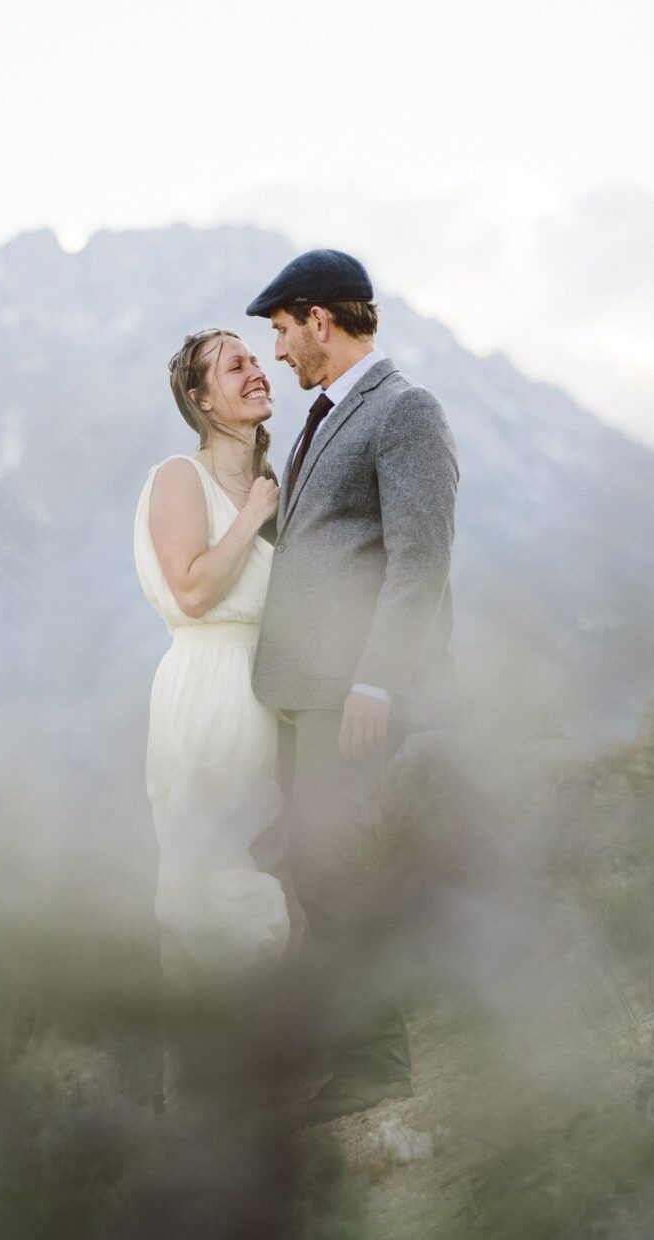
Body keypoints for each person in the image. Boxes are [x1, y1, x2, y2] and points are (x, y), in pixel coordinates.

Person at [245, 249, 460, 1123]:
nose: (278, 352)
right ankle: (340, 1051)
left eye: (282, 331)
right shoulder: (326, 416)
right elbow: (322, 549)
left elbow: (420, 558)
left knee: (339, 869)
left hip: (350, 691)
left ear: (319, 321)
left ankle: (375, 1070)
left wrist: (377, 680)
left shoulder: (404, 411)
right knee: (307, 868)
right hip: (306, 689)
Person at [134, 329, 292, 1046]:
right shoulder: (179, 477)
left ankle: (272, 1059)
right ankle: (217, 1079)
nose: (257, 371)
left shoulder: (273, 483)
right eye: (236, 367)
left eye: (257, 360)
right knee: (204, 882)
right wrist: (255, 515)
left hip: (274, 693)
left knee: (273, 862)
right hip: (209, 693)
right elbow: (192, 590)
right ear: (200, 399)